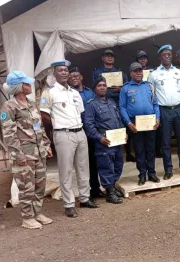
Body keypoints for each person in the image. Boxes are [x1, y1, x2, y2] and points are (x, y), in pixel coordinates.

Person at [40, 60, 98, 218]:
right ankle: (69, 204)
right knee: (66, 171)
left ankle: (85, 198)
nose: (64, 73)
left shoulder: (74, 93)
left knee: (83, 167)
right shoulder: (49, 92)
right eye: (60, 70)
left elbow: (80, 111)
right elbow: (44, 114)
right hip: (63, 133)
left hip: (80, 132)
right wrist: (57, 123)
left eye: (66, 70)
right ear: (54, 74)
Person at [0, 71, 53, 229]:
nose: (29, 85)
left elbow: (39, 127)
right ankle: (27, 217)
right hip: (24, 154)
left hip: (38, 152)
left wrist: (46, 144)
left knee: (39, 185)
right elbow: (9, 134)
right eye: (25, 83)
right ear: (18, 87)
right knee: (26, 187)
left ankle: (37, 212)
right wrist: (18, 155)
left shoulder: (31, 104)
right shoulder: (8, 107)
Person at [148, 44, 180, 180]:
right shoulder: (153, 74)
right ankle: (168, 170)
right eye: (164, 54)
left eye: (169, 54)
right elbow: (151, 96)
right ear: (160, 57)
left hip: (178, 109)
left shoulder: (179, 72)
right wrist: (156, 115)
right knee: (166, 142)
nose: (167, 56)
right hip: (164, 110)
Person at [84, 77, 126, 204]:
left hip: (117, 139)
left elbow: (118, 120)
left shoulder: (112, 102)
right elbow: (89, 125)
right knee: (106, 166)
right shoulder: (91, 105)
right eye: (99, 85)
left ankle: (112, 187)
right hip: (104, 141)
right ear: (94, 89)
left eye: (104, 85)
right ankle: (109, 192)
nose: (102, 87)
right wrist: (99, 138)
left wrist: (124, 133)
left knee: (118, 164)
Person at [119, 62, 161, 186]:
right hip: (135, 123)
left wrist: (158, 118)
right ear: (131, 73)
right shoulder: (125, 88)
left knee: (150, 149)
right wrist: (128, 123)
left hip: (150, 122)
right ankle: (142, 174)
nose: (138, 73)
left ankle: (152, 173)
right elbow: (122, 107)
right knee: (139, 150)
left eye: (140, 71)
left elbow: (155, 104)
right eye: (136, 71)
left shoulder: (149, 86)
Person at [92, 49, 135, 162]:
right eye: (107, 56)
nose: (110, 58)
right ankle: (109, 152)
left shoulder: (120, 73)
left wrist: (121, 89)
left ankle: (127, 152)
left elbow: (128, 88)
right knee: (105, 126)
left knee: (123, 126)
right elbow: (94, 88)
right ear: (103, 58)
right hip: (102, 103)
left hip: (118, 103)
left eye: (112, 56)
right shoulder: (97, 72)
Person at [68, 67, 104, 198]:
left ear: (81, 77)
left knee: (94, 161)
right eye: (71, 76)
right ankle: (85, 192)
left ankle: (95, 188)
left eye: (77, 75)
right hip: (78, 130)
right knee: (82, 163)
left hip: (93, 131)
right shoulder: (68, 93)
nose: (74, 78)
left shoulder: (90, 93)